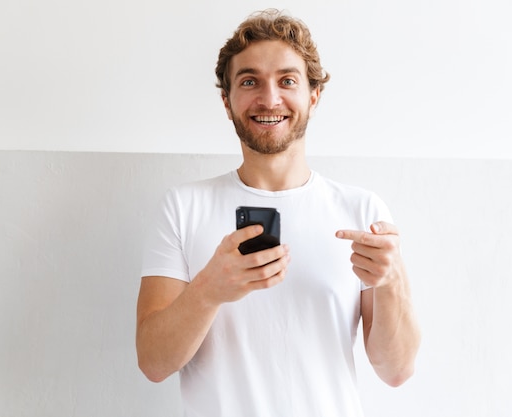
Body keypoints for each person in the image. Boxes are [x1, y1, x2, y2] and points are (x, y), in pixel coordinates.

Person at [136, 9, 421, 416]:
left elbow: (397, 370)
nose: (269, 99)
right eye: (249, 81)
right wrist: (209, 290)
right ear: (226, 100)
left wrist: (391, 283)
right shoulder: (183, 207)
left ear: (313, 95)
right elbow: (153, 363)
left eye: (287, 80)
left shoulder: (361, 211)